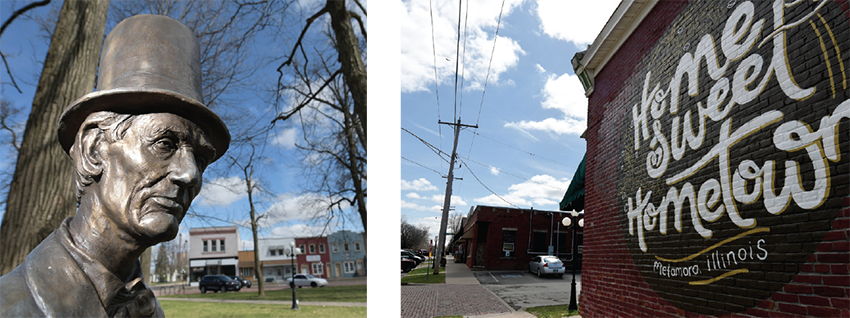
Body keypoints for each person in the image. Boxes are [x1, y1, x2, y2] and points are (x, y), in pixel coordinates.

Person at [0, 14, 229, 318]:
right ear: (94, 149)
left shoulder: (147, 309)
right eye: (165, 144)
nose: (190, 174)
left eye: (200, 159)